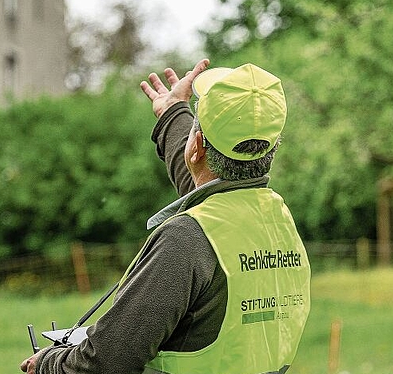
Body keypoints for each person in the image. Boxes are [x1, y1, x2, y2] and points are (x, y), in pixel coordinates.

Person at [20, 58, 311, 374]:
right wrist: (173, 112)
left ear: (197, 145)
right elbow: (209, 186)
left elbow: (106, 362)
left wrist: (48, 364)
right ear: (270, 150)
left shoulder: (185, 240)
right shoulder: (277, 219)